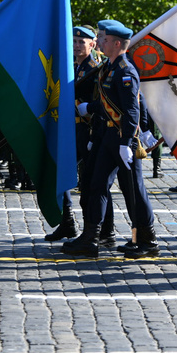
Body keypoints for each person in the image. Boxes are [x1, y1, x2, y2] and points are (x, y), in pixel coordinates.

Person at [67, 20, 159, 259]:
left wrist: (127, 142)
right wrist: (93, 111)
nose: (100, 42)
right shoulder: (109, 67)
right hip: (106, 136)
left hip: (121, 139)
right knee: (95, 185)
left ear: (117, 43)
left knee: (134, 191)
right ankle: (91, 239)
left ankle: (147, 241)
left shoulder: (126, 71)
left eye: (104, 39)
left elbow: (131, 110)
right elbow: (108, 104)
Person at [44, 25, 104, 242]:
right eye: (75, 42)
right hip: (72, 129)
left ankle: (100, 231)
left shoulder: (95, 69)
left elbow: (100, 102)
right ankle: (67, 222)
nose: (77, 46)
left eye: (82, 42)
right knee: (60, 174)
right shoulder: (76, 68)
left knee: (92, 183)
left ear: (93, 44)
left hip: (88, 131)